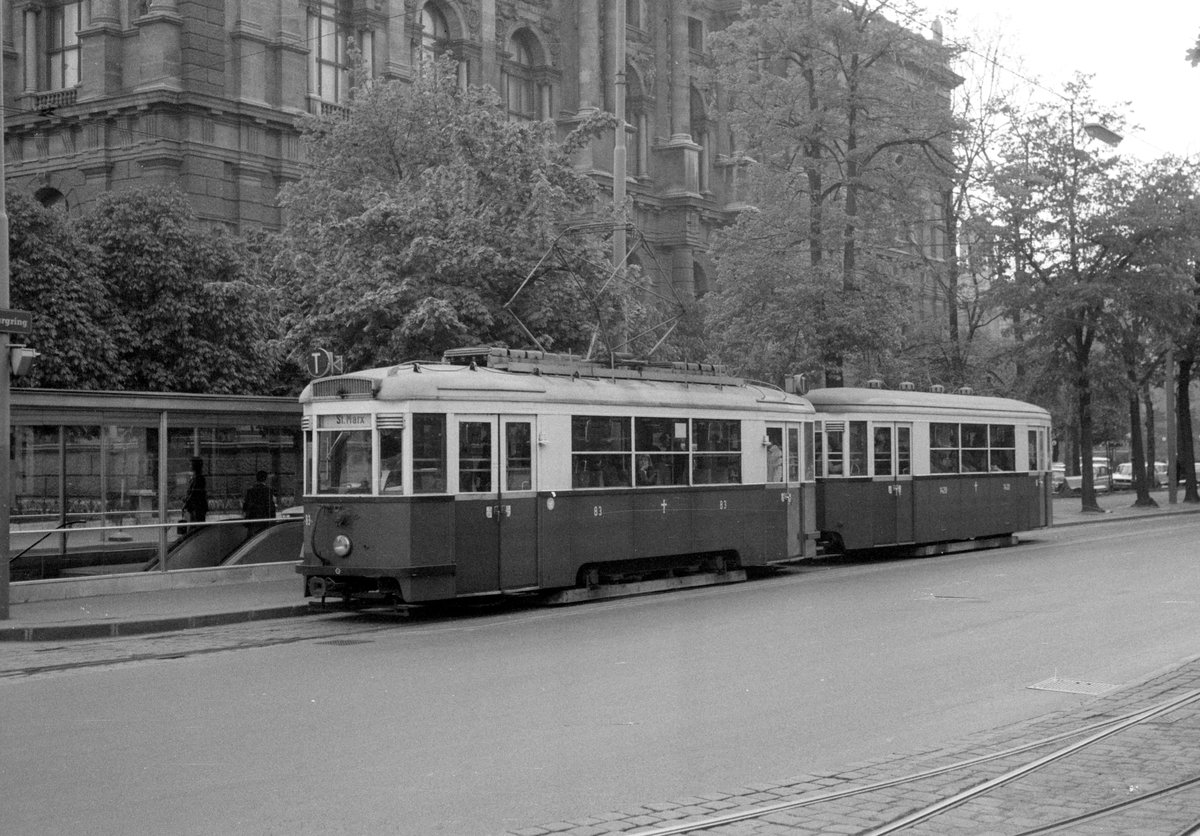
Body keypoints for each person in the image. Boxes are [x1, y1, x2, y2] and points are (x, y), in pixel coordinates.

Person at [242, 470, 277, 535]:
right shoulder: (268, 491)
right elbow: (270, 506)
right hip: (265, 519)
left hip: (253, 519)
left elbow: (246, 505)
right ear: (265, 479)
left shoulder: (250, 490)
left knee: (252, 539)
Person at [181, 457, 208, 537]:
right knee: (194, 526)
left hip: (197, 507)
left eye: (191, 464)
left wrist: (185, 503)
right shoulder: (196, 477)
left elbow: (193, 493)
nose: (189, 466)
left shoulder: (198, 478)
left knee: (196, 527)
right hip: (195, 507)